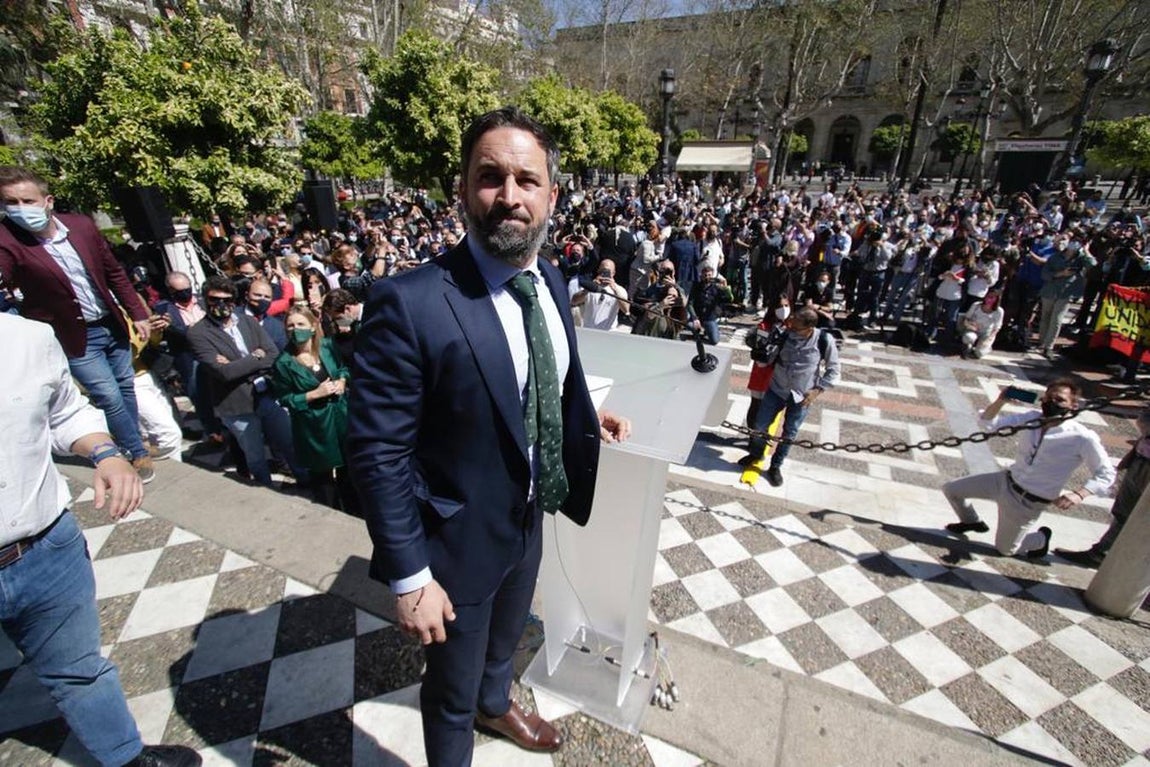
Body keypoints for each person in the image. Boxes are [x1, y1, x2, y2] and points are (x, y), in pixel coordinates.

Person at [347, 107, 630, 767]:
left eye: (527, 180)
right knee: (448, 690)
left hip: (527, 516)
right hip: (453, 544)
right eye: (490, 177)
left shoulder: (549, 277)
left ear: (552, 194)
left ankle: (496, 700)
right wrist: (412, 575)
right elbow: (376, 450)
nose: (509, 196)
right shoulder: (410, 301)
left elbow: (543, 375)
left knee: (503, 643)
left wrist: (586, 412)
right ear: (462, 188)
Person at [0, 312, 201, 767]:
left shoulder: (27, 339)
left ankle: (125, 757)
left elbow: (66, 411)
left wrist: (105, 453)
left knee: (80, 670)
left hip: (44, 550)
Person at [0, 166, 155, 482]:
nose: (19, 209)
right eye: (10, 202)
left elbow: (113, 273)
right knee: (107, 395)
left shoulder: (81, 227)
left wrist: (137, 313)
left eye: (27, 200)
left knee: (125, 386)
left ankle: (129, 437)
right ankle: (135, 452)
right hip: (73, 335)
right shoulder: (7, 241)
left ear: (48, 200)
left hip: (110, 324)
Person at [942, 379, 1115, 558]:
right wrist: (1001, 400)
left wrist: (1080, 494)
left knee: (1006, 550)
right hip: (1005, 481)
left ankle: (1040, 539)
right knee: (951, 489)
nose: (1051, 403)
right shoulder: (1032, 418)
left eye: (1059, 400)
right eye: (1048, 398)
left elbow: (1106, 473)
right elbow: (988, 423)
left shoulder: (1082, 437)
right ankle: (971, 521)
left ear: (1073, 405)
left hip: (1028, 500)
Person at [188, 275, 306, 488]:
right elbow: (223, 373)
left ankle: (308, 485)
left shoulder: (247, 321)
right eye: (215, 299)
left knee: (290, 445)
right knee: (255, 456)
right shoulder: (198, 333)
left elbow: (271, 354)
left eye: (226, 299)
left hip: (267, 395)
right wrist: (255, 357)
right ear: (205, 300)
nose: (221, 305)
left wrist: (242, 362)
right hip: (236, 404)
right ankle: (266, 490)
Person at [738, 306, 840, 487]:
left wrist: (817, 391)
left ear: (809, 328)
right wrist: (760, 353)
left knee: (789, 432)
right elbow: (767, 361)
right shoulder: (784, 334)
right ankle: (756, 453)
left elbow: (834, 370)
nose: (791, 326)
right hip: (776, 389)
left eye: (796, 325)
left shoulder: (824, 340)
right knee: (760, 425)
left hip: (802, 396)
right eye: (791, 322)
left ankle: (775, 466)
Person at [272, 307, 356, 513]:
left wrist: (343, 381)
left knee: (349, 469)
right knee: (323, 477)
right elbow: (284, 399)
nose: (295, 329)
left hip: (340, 417)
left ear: (312, 326)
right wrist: (313, 394)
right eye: (290, 325)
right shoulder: (283, 363)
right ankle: (329, 514)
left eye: (300, 324)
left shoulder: (328, 347)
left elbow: (344, 369)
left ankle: (354, 510)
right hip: (314, 426)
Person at [1055, 406, 1150, 568]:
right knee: (1123, 513)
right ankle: (1101, 553)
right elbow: (1143, 421)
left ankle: (1118, 559)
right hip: (1140, 462)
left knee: (1141, 519)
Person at [571, 257, 628, 331]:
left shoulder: (619, 290)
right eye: (602, 270)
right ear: (598, 270)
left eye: (608, 271)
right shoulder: (590, 286)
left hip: (609, 331)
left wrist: (615, 290)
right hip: (589, 329)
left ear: (613, 273)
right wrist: (589, 288)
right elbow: (574, 301)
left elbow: (626, 310)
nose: (604, 274)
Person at [687, 264, 733, 345]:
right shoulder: (696, 286)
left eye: (709, 275)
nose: (707, 277)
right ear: (701, 275)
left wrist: (726, 289)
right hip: (698, 316)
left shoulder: (716, 287)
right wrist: (694, 318)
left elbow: (729, 299)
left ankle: (711, 329)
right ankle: (698, 331)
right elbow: (690, 303)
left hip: (709, 318)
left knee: (714, 341)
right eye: (705, 275)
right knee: (690, 325)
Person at [958, 291, 1004, 359]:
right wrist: (970, 325)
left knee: (979, 353)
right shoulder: (976, 305)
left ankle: (984, 348)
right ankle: (967, 345)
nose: (989, 300)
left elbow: (997, 326)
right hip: (973, 329)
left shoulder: (999, 311)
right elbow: (966, 318)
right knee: (968, 337)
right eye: (988, 297)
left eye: (993, 298)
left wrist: (989, 338)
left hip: (987, 332)